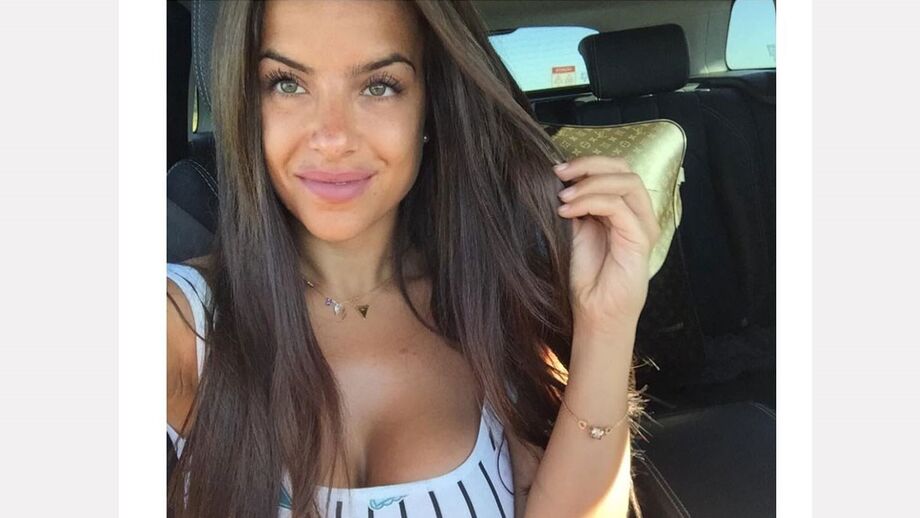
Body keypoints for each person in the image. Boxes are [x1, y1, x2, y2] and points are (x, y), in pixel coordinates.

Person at [166, 1, 660, 517]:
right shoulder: (181, 323)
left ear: (429, 107)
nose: (332, 138)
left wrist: (607, 325)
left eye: (379, 86)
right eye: (287, 84)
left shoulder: (493, 305)